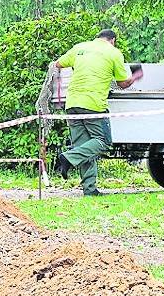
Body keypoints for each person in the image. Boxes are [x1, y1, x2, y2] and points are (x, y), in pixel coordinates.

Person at [53, 29, 143, 196]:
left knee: (84, 146)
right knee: (103, 141)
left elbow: (58, 64)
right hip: (93, 104)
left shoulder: (80, 47)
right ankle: (69, 158)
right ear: (113, 40)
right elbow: (122, 83)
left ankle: (90, 189)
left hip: (72, 103)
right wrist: (135, 76)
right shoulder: (113, 52)